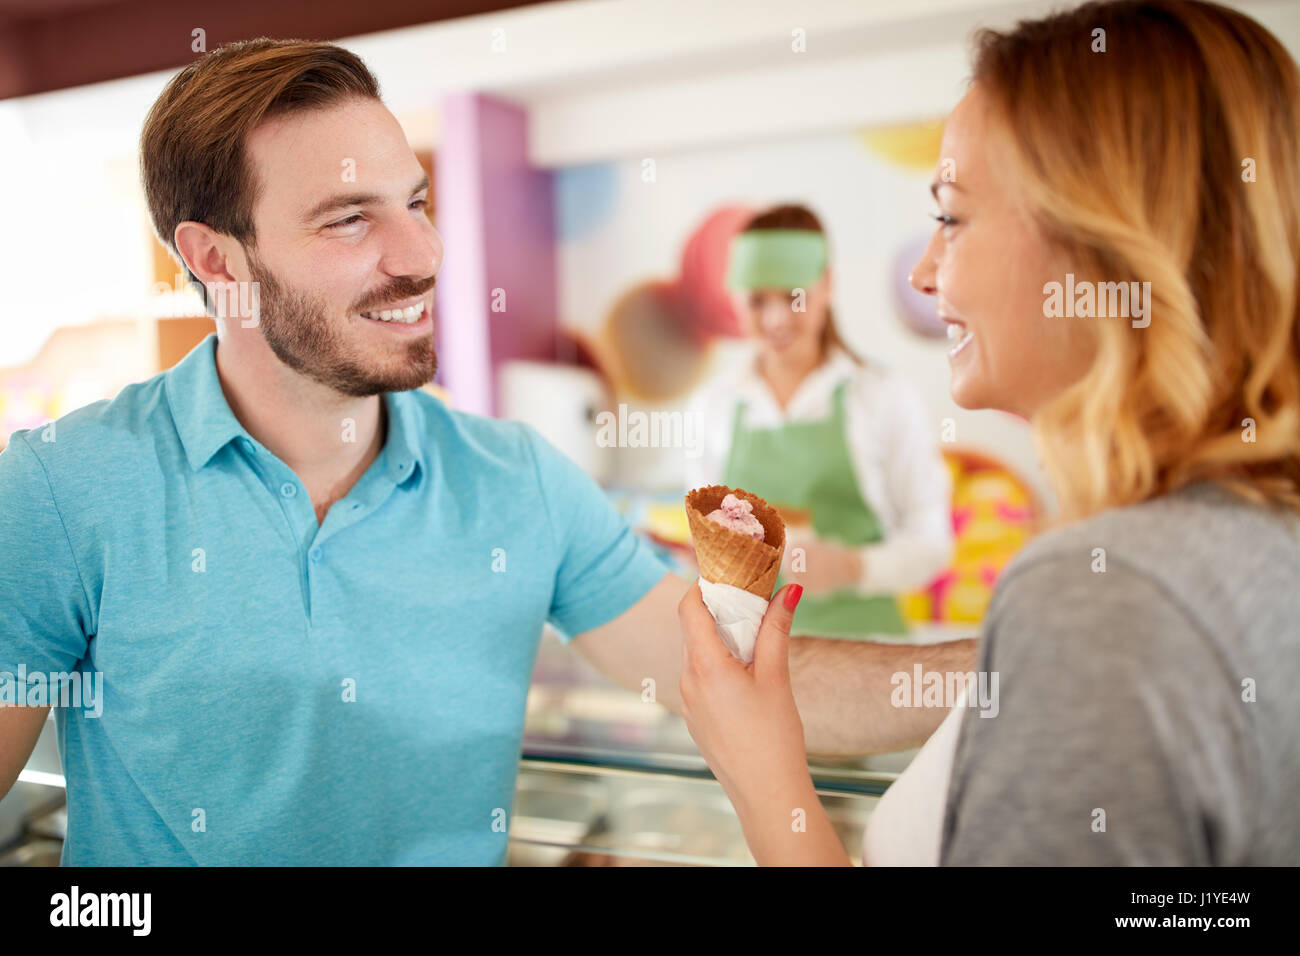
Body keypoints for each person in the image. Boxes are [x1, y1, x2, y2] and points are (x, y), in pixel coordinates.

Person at [0, 38, 980, 865]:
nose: (420, 253)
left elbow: (742, 677)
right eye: (351, 219)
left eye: (415, 202)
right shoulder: (60, 491)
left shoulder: (520, 481)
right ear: (217, 259)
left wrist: (1005, 664)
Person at [677, 0, 1300, 866]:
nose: (926, 271)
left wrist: (762, 777)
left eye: (951, 215)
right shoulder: (1240, 542)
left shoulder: (1107, 593)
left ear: (1102, 240)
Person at [685, 205, 953, 639]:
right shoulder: (712, 405)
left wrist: (853, 567)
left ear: (827, 286)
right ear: (733, 298)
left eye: (793, 295)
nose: (775, 319)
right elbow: (700, 547)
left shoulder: (881, 395)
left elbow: (931, 544)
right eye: (757, 300)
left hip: (865, 651)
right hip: (746, 654)